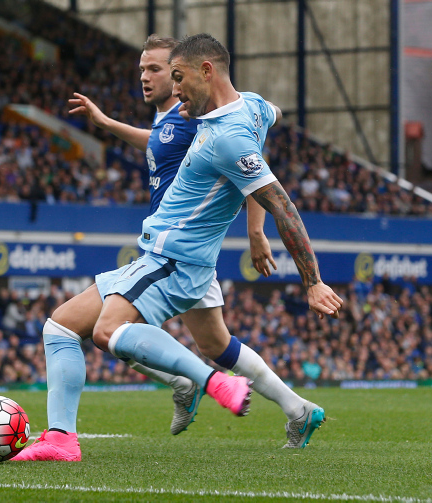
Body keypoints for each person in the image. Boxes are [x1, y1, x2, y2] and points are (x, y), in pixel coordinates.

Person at [14, 34, 343, 462]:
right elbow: (271, 114)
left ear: (206, 71)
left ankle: (203, 382)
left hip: (173, 258)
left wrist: (312, 281)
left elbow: (282, 204)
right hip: (181, 258)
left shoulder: (227, 138)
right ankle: (295, 408)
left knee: (107, 332)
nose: (174, 89)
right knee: (64, 327)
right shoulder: (252, 107)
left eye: (176, 77)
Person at [64, 34, 280, 437]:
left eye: (158, 70)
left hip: (179, 250)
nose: (145, 77)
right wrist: (106, 123)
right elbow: (158, 142)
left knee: (111, 329)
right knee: (214, 344)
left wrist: (256, 230)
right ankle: (297, 409)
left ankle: (194, 382)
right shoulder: (169, 119)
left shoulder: (196, 115)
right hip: (170, 248)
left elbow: (252, 160)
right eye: (141, 69)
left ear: (187, 71)